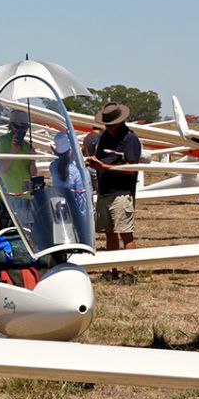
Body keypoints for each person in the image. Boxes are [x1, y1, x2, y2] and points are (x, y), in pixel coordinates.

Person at [85, 102, 141, 284]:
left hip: (122, 192)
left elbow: (132, 168)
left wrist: (105, 167)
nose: (108, 127)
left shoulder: (130, 139)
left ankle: (129, 273)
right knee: (109, 232)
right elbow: (99, 158)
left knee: (125, 233)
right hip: (104, 191)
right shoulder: (102, 137)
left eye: (111, 124)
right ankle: (112, 269)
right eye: (106, 124)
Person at [0, 108, 37, 230]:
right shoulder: (0, 142)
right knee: (7, 233)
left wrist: (33, 160)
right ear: (11, 126)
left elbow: (32, 174)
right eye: (18, 127)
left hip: (26, 196)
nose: (21, 131)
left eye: (25, 127)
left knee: (27, 234)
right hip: (8, 196)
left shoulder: (28, 146)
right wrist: (14, 150)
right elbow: (1, 169)